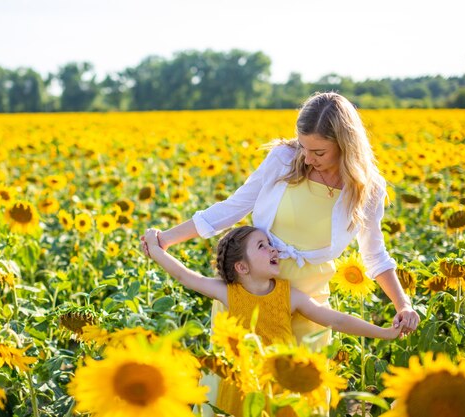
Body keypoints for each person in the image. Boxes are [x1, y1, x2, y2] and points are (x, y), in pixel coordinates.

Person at [141, 92, 419, 346]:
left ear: (346, 146)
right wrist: (166, 239)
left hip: (309, 300)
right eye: (303, 146)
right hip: (253, 288)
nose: (308, 158)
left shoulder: (367, 188)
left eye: (319, 152)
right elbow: (233, 207)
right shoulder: (285, 159)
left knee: (301, 385)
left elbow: (374, 255)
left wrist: (402, 304)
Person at [142, 226, 403, 417]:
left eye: (269, 243)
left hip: (282, 383)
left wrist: (383, 332)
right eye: (262, 246)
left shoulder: (288, 295)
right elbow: (184, 276)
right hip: (239, 384)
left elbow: (336, 320)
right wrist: (155, 247)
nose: (273, 248)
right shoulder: (228, 293)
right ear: (242, 268)